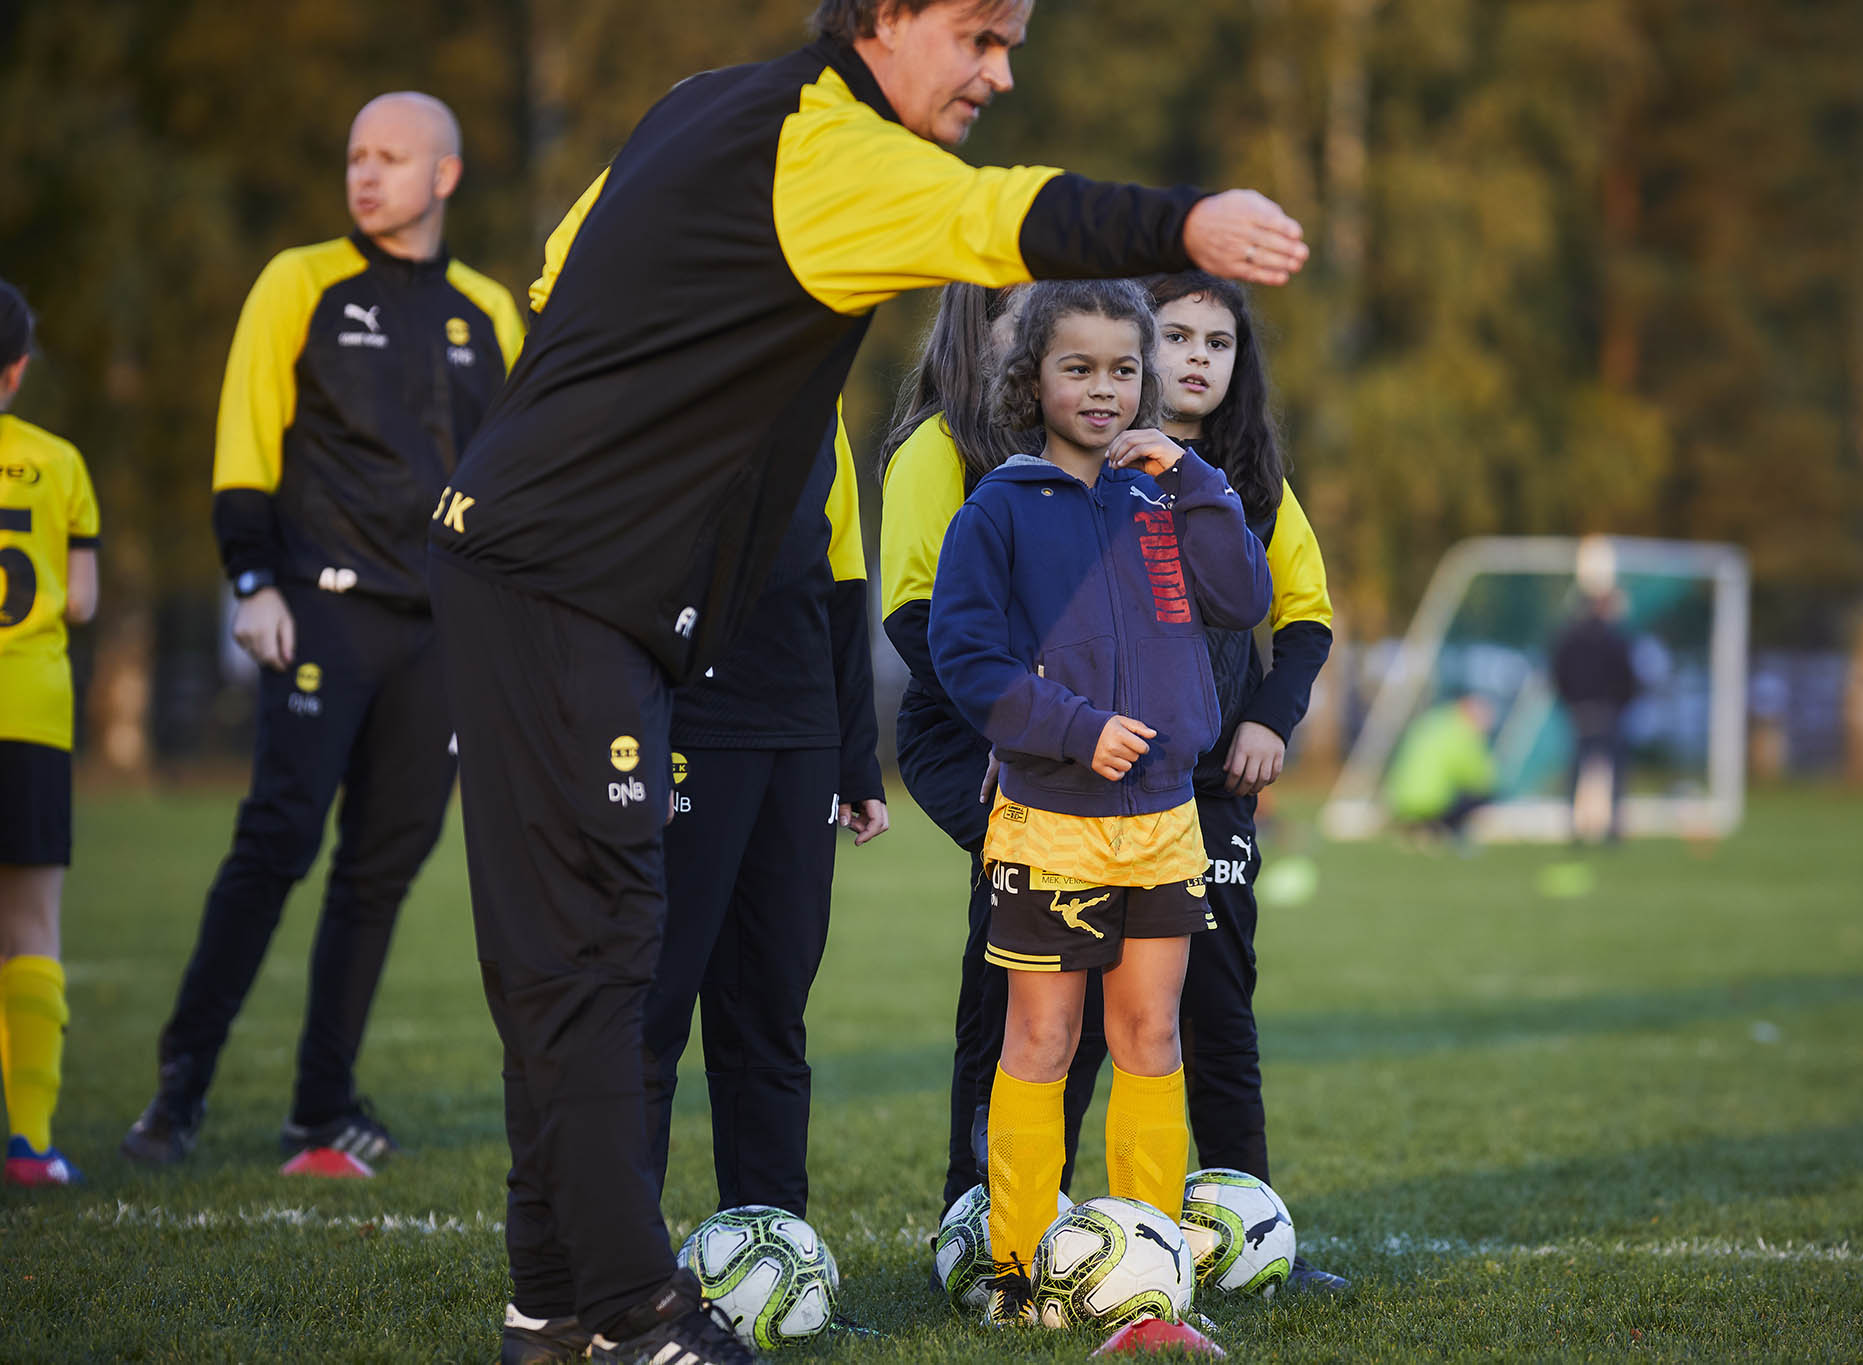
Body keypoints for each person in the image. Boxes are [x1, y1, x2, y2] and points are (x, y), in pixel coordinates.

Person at [428, 1, 1306, 1357]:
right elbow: (1005, 218)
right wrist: (1189, 227)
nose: (1000, 72)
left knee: (575, 959)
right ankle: (630, 1317)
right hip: (563, 583)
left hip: (564, 580)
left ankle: (552, 1311)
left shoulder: (701, 110)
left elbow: (559, 275)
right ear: (887, 19)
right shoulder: (818, 147)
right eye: (981, 36)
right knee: (597, 955)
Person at [122, 93, 523, 1169]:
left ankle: (320, 1104)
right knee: (276, 842)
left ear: (443, 175)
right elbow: (245, 441)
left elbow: (520, 471)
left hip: (441, 633)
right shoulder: (297, 281)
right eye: (354, 155)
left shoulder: (489, 308)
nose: (364, 174)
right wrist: (251, 581)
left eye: (390, 157)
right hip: (319, 615)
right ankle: (177, 1094)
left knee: (382, 867)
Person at [930, 278, 1273, 1326]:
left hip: (1166, 817)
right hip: (1051, 820)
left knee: (1150, 1036)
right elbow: (964, 656)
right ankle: (1022, 1273)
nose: (1103, 388)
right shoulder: (999, 507)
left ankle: (1149, 1266)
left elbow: (1244, 598)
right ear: (1030, 378)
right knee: (1037, 1043)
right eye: (1076, 367)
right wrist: (1073, 730)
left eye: (1123, 368)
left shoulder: (1165, 490)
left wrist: (1195, 475)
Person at [1059, 270, 1350, 1290]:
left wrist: (1269, 720)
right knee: (1069, 1021)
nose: (1194, 358)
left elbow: (1305, 618)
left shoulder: (1257, 486)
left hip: (1210, 795)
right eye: (1174, 336)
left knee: (1216, 1014)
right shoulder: (1084, 470)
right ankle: (1024, 1238)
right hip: (1088, 792)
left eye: (1216, 343)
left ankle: (1246, 1234)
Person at [878, 284, 1108, 1240]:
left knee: (1096, 964)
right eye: (1027, 321)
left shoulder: (1085, 458)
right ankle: (977, 1206)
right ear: (985, 333)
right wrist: (1016, 728)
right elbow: (914, 613)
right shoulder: (938, 447)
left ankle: (1038, 1189)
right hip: (966, 729)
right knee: (1019, 957)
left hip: (1066, 732)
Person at [640, 400, 886, 1223]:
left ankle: (772, 1256)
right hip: (683, 731)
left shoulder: (823, 397)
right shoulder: (669, 365)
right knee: (652, 1007)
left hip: (801, 740)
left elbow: (843, 583)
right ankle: (614, 1277)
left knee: (772, 1013)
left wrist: (856, 756)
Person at [0, 281, 100, 1187]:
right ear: (18, 369)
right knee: (29, 925)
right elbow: (81, 598)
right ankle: (30, 1141)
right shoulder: (59, 461)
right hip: (29, 711)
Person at [1552, 581, 1638, 843]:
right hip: (1607, 711)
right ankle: (1612, 829)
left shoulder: (1570, 636)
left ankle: (1575, 828)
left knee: (1579, 772)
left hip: (1581, 710)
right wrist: (1619, 703)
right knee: (1612, 772)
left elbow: (1557, 673)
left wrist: (1571, 701)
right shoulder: (1615, 638)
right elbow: (1628, 677)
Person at [1386, 694, 1499, 840]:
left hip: (1400, 799)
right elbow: (1478, 777)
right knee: (1482, 794)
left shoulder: (1430, 721)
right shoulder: (1461, 732)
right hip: (1435, 801)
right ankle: (1450, 831)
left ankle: (1420, 828)